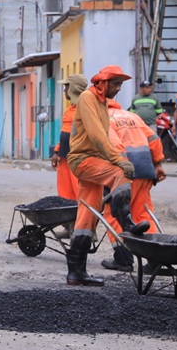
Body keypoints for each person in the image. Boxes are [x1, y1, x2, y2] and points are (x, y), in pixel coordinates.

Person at [64, 65, 152, 286]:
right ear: (103, 83)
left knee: (87, 216)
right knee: (119, 173)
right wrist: (118, 160)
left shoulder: (101, 102)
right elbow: (97, 135)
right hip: (82, 160)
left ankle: (76, 272)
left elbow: (104, 136)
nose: (119, 88)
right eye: (116, 84)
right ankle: (127, 223)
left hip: (93, 160)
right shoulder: (88, 98)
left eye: (120, 84)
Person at [98, 104, 166, 271]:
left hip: (123, 171)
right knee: (143, 213)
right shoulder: (133, 116)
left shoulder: (102, 118)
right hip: (145, 168)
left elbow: (112, 146)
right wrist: (157, 164)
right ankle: (155, 259)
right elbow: (154, 140)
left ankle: (123, 259)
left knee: (114, 213)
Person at [50, 74, 87, 201]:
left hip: (77, 157)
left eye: (66, 87)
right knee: (65, 194)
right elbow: (66, 132)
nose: (65, 90)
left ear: (73, 88)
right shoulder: (70, 108)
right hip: (64, 157)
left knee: (79, 193)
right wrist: (57, 152)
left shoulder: (85, 108)